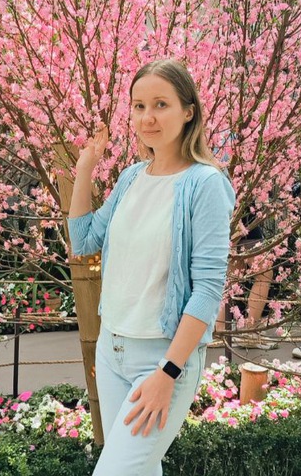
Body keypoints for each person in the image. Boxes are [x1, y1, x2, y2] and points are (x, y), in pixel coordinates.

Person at [68, 59, 235, 476]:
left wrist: (168, 372)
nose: (148, 118)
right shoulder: (130, 178)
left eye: (161, 104)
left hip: (161, 359)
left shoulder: (206, 184)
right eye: (139, 106)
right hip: (112, 350)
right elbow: (84, 240)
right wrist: (86, 168)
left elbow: (208, 289)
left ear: (188, 111)